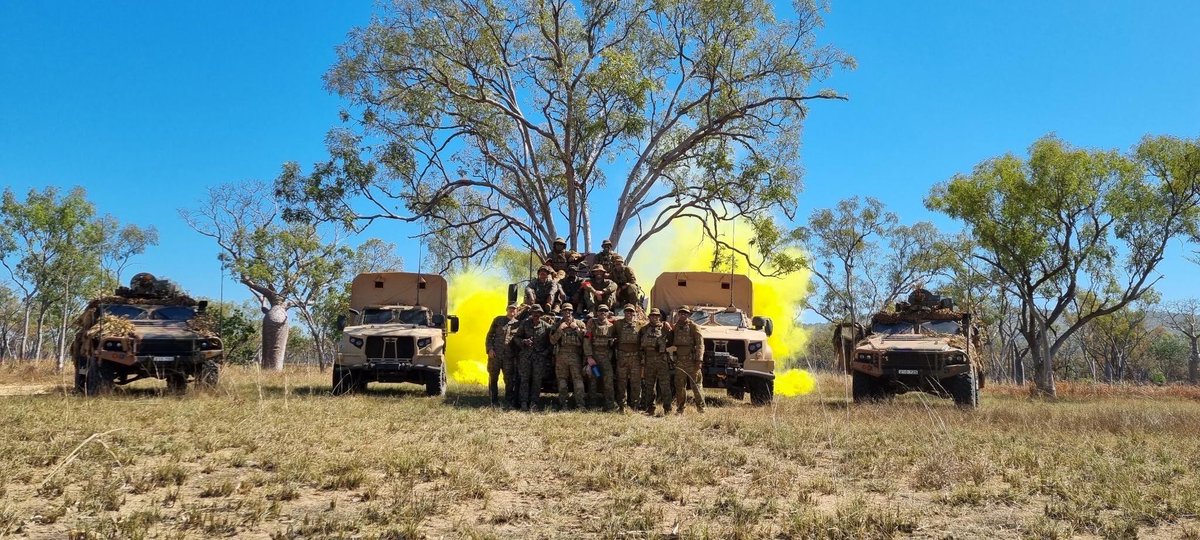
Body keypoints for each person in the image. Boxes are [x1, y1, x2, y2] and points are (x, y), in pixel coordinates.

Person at [514, 304, 554, 412]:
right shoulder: (525, 324)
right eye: (533, 314)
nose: (536, 315)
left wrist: (545, 352)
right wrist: (524, 341)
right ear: (531, 314)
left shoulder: (546, 326)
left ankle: (534, 403)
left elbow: (552, 342)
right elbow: (516, 337)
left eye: (538, 314)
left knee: (537, 381)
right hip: (526, 357)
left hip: (539, 358)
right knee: (524, 380)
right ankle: (523, 402)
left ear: (541, 315)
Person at [550, 303, 588, 410]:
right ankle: (563, 404)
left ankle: (580, 404)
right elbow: (552, 341)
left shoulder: (580, 324)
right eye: (565, 310)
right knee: (562, 381)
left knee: (578, 381)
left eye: (569, 310)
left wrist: (576, 329)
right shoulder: (557, 324)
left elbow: (586, 339)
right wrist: (559, 330)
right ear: (562, 312)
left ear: (572, 312)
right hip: (561, 355)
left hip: (575, 355)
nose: (567, 312)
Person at [669, 306, 706, 414]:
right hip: (679, 361)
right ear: (678, 314)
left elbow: (700, 344)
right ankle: (680, 409)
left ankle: (701, 409)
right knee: (680, 386)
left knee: (696, 386)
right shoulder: (675, 327)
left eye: (685, 313)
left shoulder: (694, 327)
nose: (683, 315)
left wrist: (699, 360)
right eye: (681, 313)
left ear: (688, 315)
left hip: (692, 362)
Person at [485, 303, 521, 408]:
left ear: (517, 311)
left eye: (514, 309)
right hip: (495, 355)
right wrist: (490, 349)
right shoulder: (498, 320)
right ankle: (493, 400)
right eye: (510, 309)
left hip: (509, 357)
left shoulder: (518, 324)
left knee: (509, 380)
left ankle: (508, 401)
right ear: (506, 309)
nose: (512, 311)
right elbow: (489, 336)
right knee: (493, 378)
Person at [639, 308, 674, 416]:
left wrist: (663, 347)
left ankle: (667, 409)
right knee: (649, 386)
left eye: (657, 316)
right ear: (649, 317)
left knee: (665, 386)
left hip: (661, 361)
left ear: (659, 317)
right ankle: (650, 408)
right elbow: (639, 344)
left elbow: (671, 340)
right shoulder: (644, 329)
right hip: (649, 361)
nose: (655, 318)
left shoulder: (665, 327)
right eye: (652, 316)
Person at [583, 304, 617, 411]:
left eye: (605, 311)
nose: (603, 312)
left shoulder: (611, 326)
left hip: (606, 358)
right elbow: (587, 340)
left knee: (608, 381)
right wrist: (589, 357)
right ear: (597, 312)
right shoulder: (592, 324)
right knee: (593, 380)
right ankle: (592, 405)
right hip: (595, 358)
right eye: (601, 310)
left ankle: (609, 406)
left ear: (608, 313)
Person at [612, 304, 644, 412]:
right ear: (624, 313)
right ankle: (622, 406)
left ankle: (635, 405)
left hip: (635, 357)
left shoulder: (640, 324)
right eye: (627, 312)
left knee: (636, 382)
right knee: (621, 382)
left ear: (634, 313)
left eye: (631, 312)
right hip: (622, 357)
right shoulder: (618, 324)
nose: (629, 314)